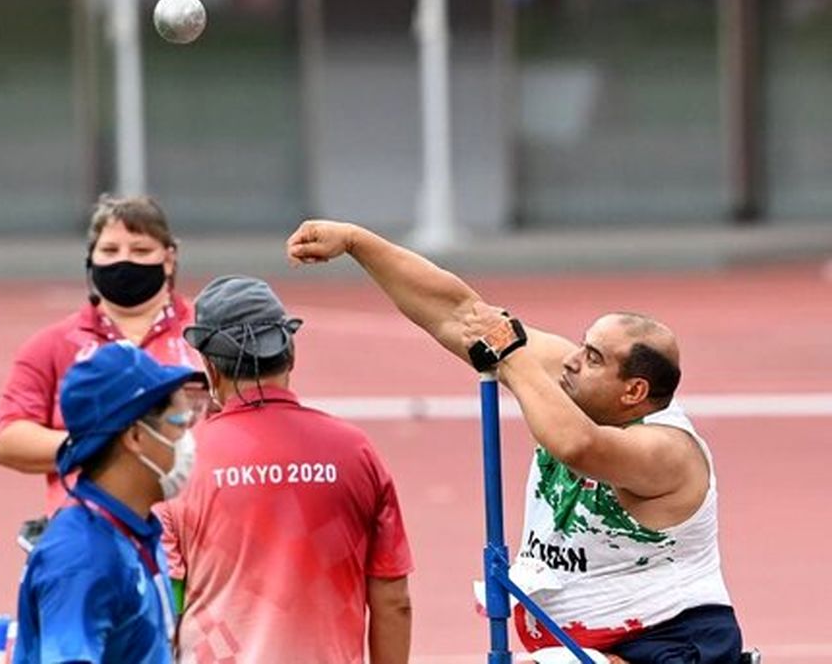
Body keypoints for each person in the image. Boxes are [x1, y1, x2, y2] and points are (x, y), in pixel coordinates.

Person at [286, 220, 745, 662]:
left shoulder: (670, 451)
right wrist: (356, 241)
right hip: (578, 642)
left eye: (592, 358)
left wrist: (509, 353)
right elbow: (459, 312)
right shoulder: (573, 384)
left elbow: (578, 446)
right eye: (581, 346)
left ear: (634, 392)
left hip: (666, 643)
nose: (571, 361)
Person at [160, 275, 414, 664]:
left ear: (210, 367)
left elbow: (164, 607)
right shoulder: (354, 450)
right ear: (290, 353)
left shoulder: (182, 459)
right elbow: (393, 600)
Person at [0, 194, 204, 534]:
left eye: (141, 250)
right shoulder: (52, 344)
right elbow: (6, 440)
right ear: (91, 258)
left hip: (196, 533)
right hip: (90, 527)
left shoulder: (206, 331)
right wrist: (102, 444)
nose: (124, 261)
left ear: (169, 258)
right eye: (110, 251)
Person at [14, 341, 204, 664]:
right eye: (178, 425)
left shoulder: (138, 532)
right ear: (135, 437)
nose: (188, 442)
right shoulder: (81, 557)